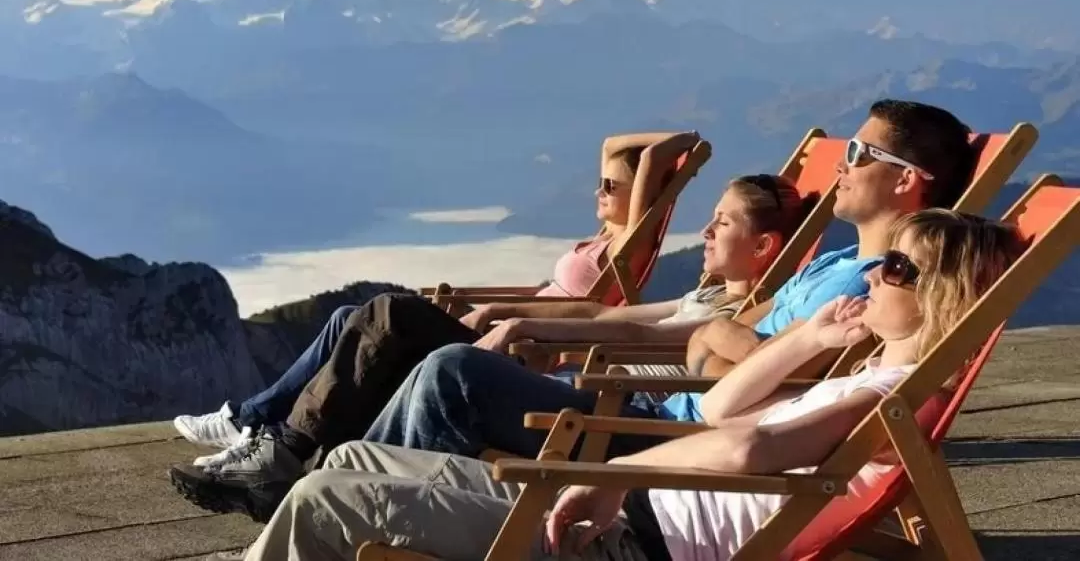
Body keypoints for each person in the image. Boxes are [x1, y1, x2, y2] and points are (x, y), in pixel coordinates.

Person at [212, 209, 1027, 561]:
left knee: (325, 501)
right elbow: (718, 405)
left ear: (939, 296)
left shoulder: (888, 397)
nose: (874, 272)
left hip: (626, 537)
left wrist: (606, 481)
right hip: (628, 504)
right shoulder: (872, 370)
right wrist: (811, 337)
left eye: (896, 266)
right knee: (348, 462)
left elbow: (747, 445)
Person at [338, 99, 976, 465]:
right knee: (439, 368)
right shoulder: (835, 265)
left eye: (863, 156)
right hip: (660, 403)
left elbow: (786, 376)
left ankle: (355, 491)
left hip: (669, 432)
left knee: (452, 372)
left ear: (904, 181)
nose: (844, 163)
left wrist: (729, 335)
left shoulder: (890, 286)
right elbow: (725, 335)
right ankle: (348, 482)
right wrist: (726, 335)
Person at [170, 173, 815, 523]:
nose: (705, 229)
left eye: (723, 222)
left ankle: (295, 458)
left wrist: (530, 333)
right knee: (353, 318)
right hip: (579, 381)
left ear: (763, 248)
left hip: (620, 414)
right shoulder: (706, 294)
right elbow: (606, 311)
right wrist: (508, 313)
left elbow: (636, 335)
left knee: (397, 324)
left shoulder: (737, 310)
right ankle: (270, 434)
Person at [172, 131, 699, 453]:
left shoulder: (630, 243)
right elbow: (613, 147)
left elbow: (588, 308)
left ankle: (262, 431)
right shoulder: (603, 237)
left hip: (518, 349)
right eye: (600, 183)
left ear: (640, 197)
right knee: (345, 319)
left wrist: (688, 144)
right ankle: (253, 421)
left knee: (388, 316)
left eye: (611, 186)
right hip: (508, 331)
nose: (598, 190)